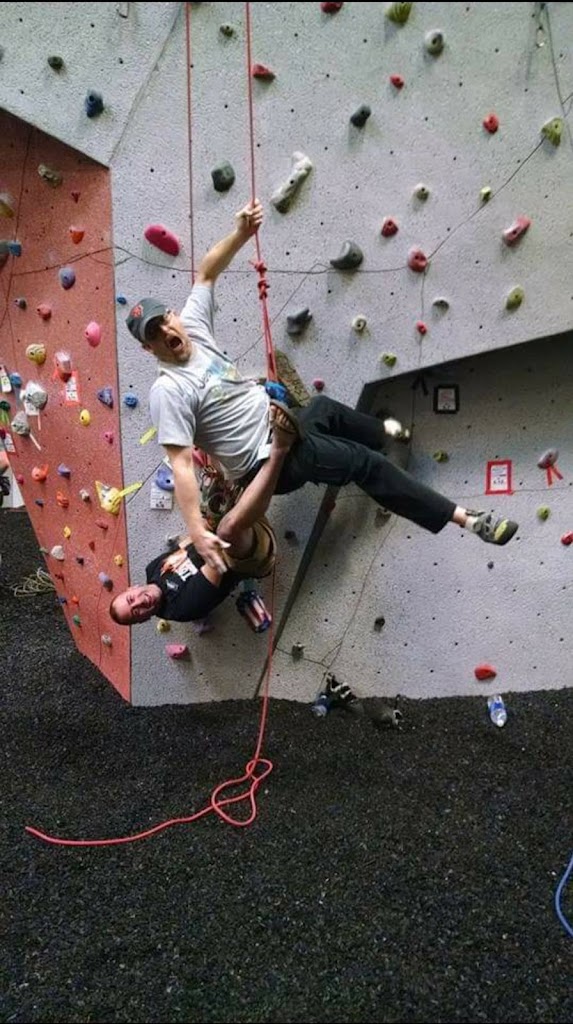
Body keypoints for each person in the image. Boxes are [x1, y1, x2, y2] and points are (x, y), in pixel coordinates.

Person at [126, 200, 518, 573]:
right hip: (267, 463)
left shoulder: (192, 325)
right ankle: (466, 519)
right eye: (154, 334)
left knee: (324, 408)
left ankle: (384, 434)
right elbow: (181, 463)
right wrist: (196, 529)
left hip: (283, 422)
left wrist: (241, 233)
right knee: (362, 463)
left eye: (164, 321)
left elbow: (206, 273)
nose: (165, 332)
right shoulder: (168, 390)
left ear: (174, 315)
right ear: (148, 348)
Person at [109, 412, 295, 626]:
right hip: (249, 555)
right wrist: (215, 513)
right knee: (226, 528)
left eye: (131, 600)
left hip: (229, 526)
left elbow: (188, 544)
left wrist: (209, 506)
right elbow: (217, 559)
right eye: (136, 612)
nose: (140, 602)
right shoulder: (182, 608)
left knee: (211, 474)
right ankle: (280, 448)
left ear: (131, 588)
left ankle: (257, 419)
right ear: (143, 619)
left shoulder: (152, 570)